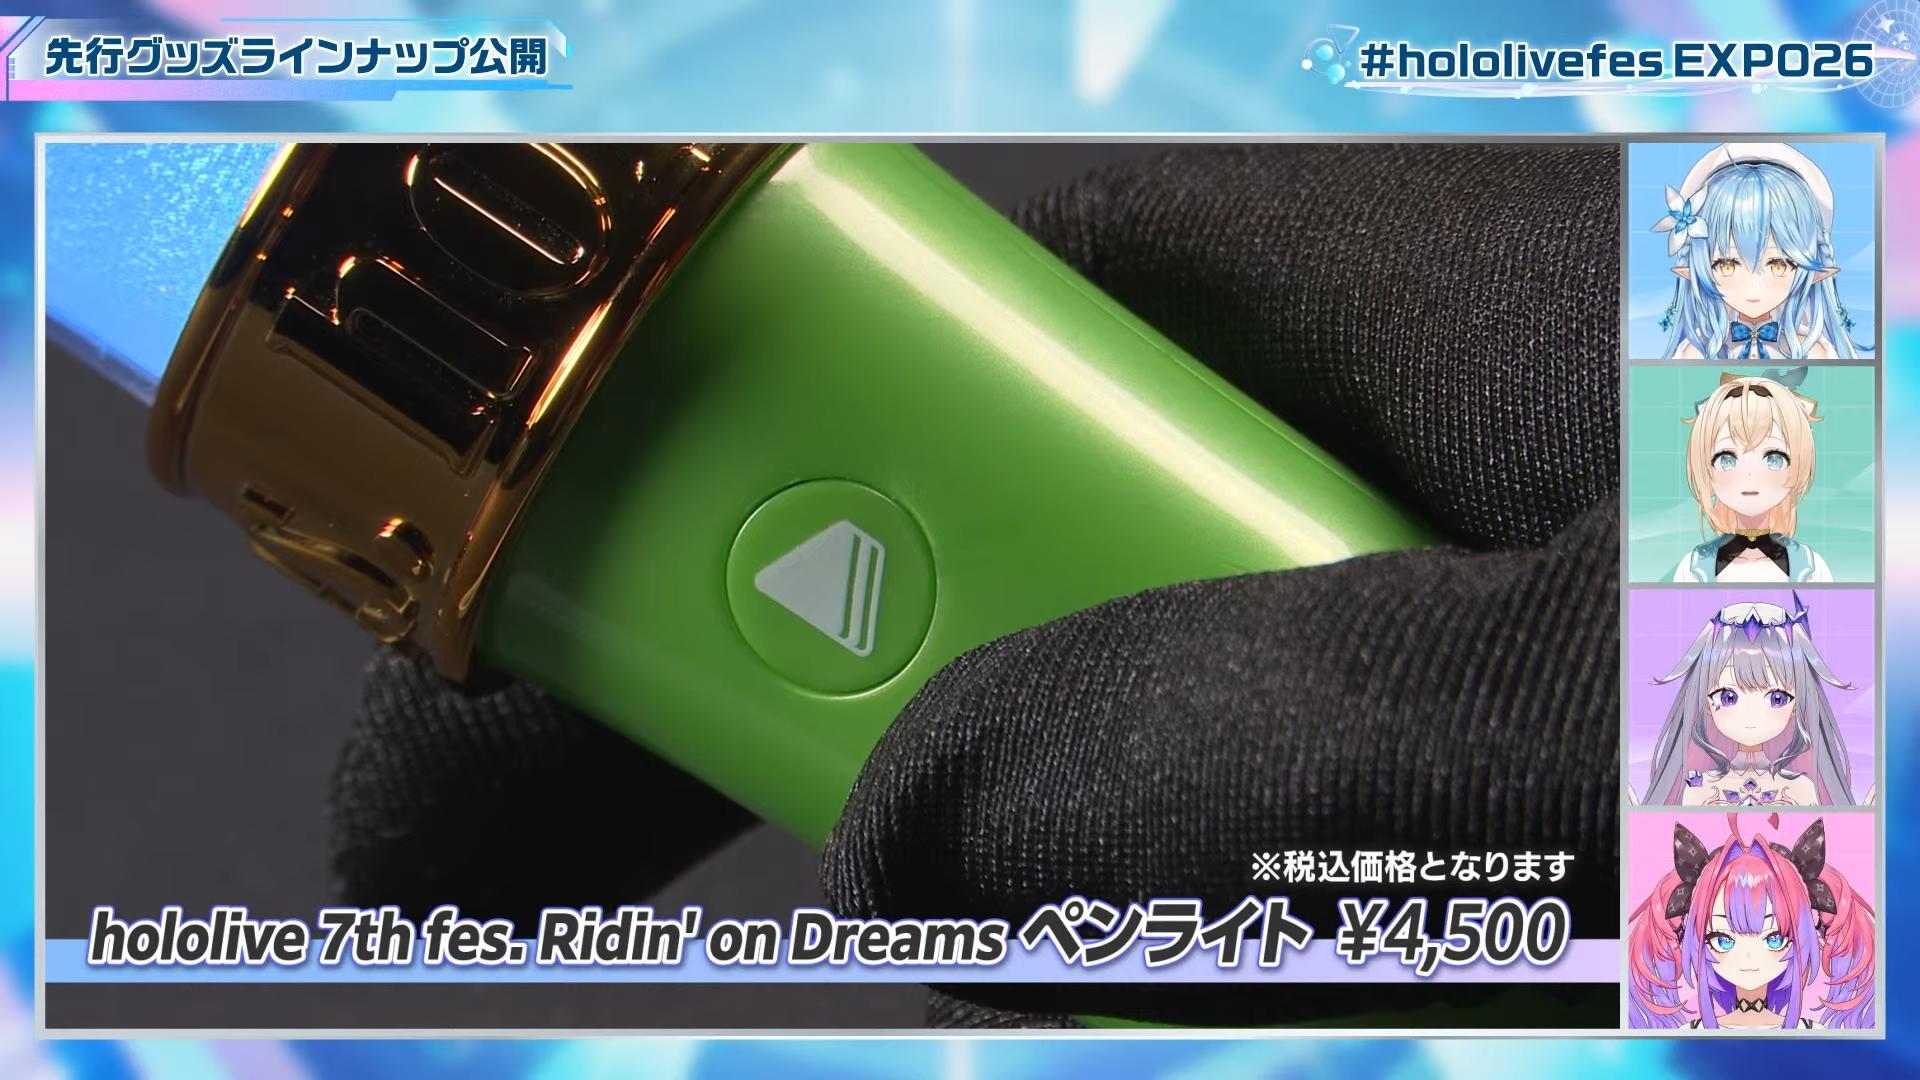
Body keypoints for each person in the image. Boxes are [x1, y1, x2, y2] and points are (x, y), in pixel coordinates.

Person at [1627, 816, 1874, 1030]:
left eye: (1774, 939)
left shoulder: (1814, 1033)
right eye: (1723, 940)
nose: (1748, 958)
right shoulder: (1689, 1034)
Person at [1653, 142, 1869, 360]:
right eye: (1727, 265)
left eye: (1778, 265)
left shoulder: (1813, 352)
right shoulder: (1696, 353)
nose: (1753, 285)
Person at [1669, 370, 1834, 583]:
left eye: (1774, 458)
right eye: (1726, 459)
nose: (1749, 475)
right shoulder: (1693, 568)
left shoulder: (1811, 567)